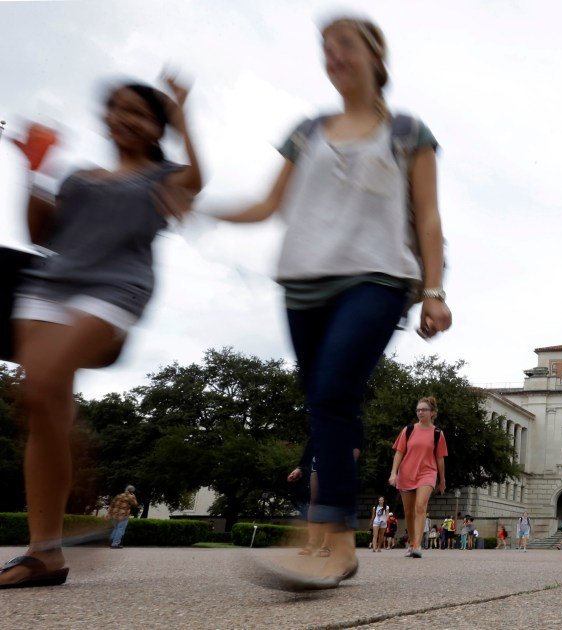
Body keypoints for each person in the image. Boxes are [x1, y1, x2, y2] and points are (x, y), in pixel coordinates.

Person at [214, 16, 450, 589]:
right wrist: (198, 203)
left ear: (376, 56)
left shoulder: (407, 132)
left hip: (377, 277)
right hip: (304, 281)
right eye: (326, 47)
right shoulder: (307, 131)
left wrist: (434, 290)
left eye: (345, 44)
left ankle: (333, 541)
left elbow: (428, 216)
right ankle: (330, 539)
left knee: (335, 391)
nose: (334, 55)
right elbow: (268, 204)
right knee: (325, 404)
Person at [0, 76, 202, 590]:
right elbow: (41, 233)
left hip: (113, 289)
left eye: (139, 112)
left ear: (157, 126)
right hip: (48, 285)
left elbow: (197, 179)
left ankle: (85, 491)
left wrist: (183, 115)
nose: (125, 118)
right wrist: (34, 168)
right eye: (117, 108)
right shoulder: (80, 177)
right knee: (42, 404)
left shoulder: (161, 176)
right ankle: (44, 553)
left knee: (42, 386)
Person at [388, 398, 449, 559]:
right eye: (418, 410)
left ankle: (417, 544)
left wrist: (442, 480)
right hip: (407, 473)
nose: (420, 412)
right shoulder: (408, 430)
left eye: (424, 409)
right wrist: (393, 473)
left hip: (428, 473)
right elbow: (399, 453)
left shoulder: (437, 433)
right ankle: (411, 543)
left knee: (420, 506)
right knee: (409, 512)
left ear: (432, 413)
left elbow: (440, 458)